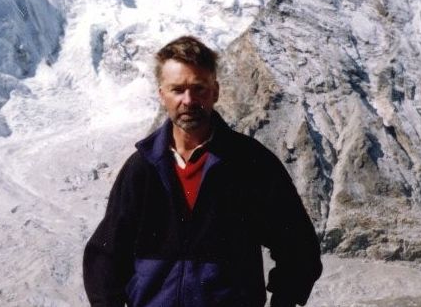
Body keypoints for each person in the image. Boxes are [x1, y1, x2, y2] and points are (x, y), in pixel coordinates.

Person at [83, 36, 322, 307]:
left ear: (216, 91)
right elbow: (104, 256)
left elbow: (299, 248)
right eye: (177, 90)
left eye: (199, 89)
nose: (189, 100)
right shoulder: (142, 169)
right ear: (162, 94)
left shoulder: (251, 164)